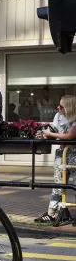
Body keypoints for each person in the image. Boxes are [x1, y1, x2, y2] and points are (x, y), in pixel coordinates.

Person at [34, 95, 76, 223]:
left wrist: (50, 134)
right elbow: (52, 128)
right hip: (61, 153)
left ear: (69, 107)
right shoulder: (58, 116)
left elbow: (70, 135)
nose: (58, 108)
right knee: (57, 183)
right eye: (58, 105)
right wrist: (43, 133)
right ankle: (51, 213)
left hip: (74, 153)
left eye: (61, 106)